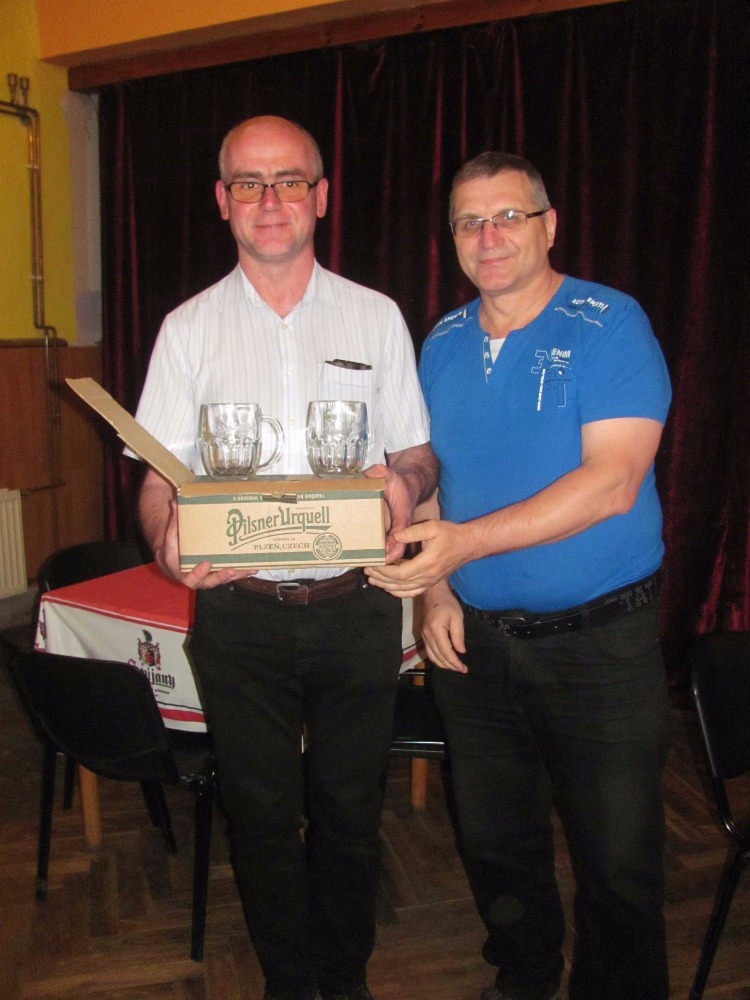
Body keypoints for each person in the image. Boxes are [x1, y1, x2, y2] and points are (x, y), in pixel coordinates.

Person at [134, 115, 438, 1000]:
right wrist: (165, 545)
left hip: (356, 604)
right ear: (223, 200)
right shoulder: (186, 329)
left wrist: (405, 486)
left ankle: (343, 979)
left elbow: (418, 453)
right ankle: (288, 983)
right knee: (261, 817)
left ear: (322, 196)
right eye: (249, 183)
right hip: (238, 613)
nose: (270, 200)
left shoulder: (375, 316)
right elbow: (156, 478)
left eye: (290, 180)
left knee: (350, 813)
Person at [366, 152, 672, 1000]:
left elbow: (612, 483)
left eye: (509, 215)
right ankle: (525, 980)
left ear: (549, 225)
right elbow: (432, 481)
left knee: (618, 863)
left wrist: (463, 547)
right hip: (476, 649)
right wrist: (435, 590)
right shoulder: (441, 342)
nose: (489, 235)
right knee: (498, 846)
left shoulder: (609, 322)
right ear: (452, 237)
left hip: (599, 646)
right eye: (470, 221)